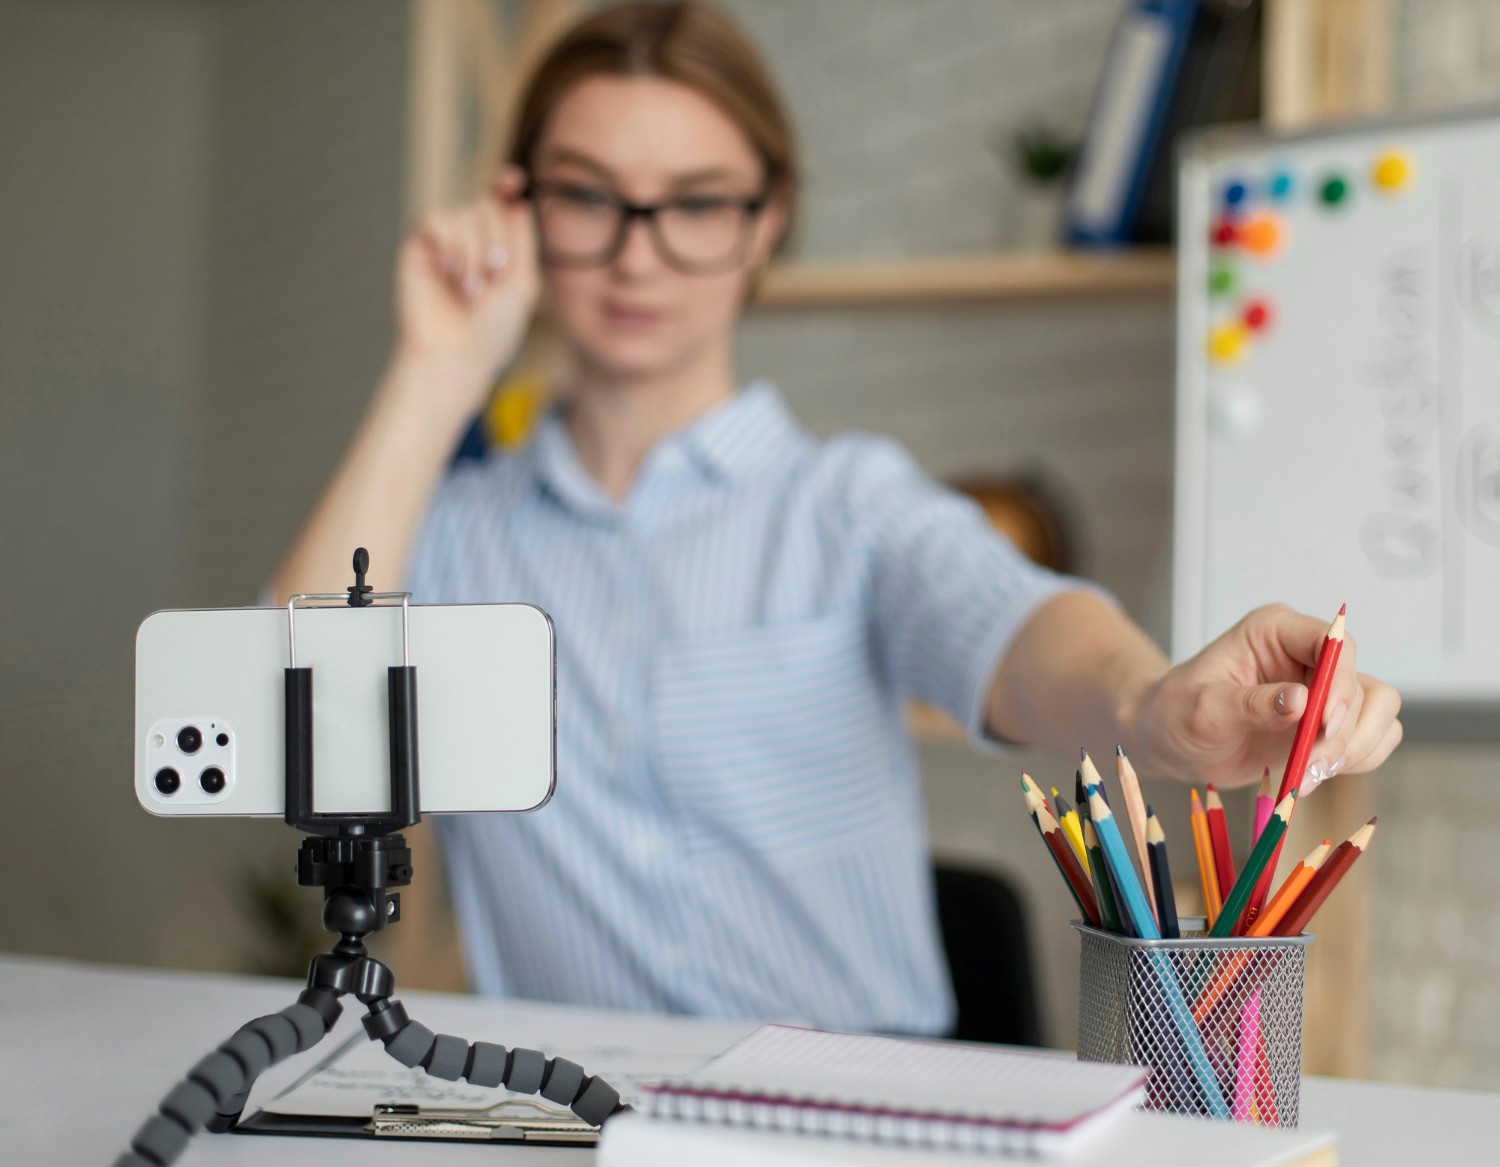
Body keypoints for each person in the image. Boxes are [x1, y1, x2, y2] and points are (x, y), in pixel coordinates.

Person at [270, 1, 1401, 1035]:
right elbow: (284, 733)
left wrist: (1147, 703)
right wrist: (436, 369)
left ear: (770, 220)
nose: (637, 251)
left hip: (856, 1117)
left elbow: (1010, 622)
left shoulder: (846, 504)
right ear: (520, 207)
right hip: (576, 1123)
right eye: (586, 195)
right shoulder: (455, 530)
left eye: (698, 202)